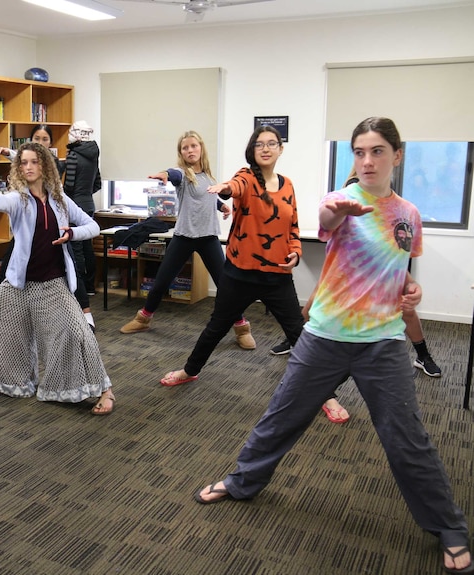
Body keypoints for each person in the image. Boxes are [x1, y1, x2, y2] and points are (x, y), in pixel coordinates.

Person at [193, 117, 472, 575]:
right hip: (324, 336)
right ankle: (242, 481)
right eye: (359, 151)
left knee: (408, 439)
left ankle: (449, 527)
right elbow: (326, 219)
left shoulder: (409, 215)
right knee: (281, 417)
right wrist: (340, 210)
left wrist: (412, 292)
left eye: (377, 151)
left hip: (381, 341)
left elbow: (399, 269)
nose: (367, 160)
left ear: (396, 156)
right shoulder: (339, 201)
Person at [0, 142, 115, 416]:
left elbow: (93, 226)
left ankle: (105, 390)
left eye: (34, 162)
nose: (28, 167)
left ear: (44, 166)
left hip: (53, 284)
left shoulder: (61, 198)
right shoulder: (19, 198)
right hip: (18, 285)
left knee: (79, 333)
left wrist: (72, 234)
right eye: (23, 163)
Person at [159, 125, 304, 387]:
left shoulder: (288, 185)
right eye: (259, 144)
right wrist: (225, 188)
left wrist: (296, 251)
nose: (266, 148)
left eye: (272, 143)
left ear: (281, 149)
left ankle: (325, 392)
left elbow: (293, 225)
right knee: (216, 327)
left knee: (298, 334)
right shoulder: (246, 177)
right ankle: (189, 370)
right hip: (241, 273)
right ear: (252, 150)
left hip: (278, 275)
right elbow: (235, 186)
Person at [270, 170, 443, 379]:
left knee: (406, 310)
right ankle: (294, 339)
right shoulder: (346, 194)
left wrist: (411, 284)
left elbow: (394, 250)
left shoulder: (396, 208)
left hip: (381, 271)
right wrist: (337, 214)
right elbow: (328, 218)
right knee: (314, 302)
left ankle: (423, 355)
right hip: (344, 268)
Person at [118, 130, 257, 351]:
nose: (190, 150)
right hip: (184, 236)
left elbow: (207, 197)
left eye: (193, 146)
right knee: (162, 280)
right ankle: (143, 319)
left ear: (201, 148)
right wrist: (164, 174)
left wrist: (221, 206)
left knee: (225, 285)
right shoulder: (183, 174)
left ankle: (241, 327)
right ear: (181, 153)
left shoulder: (209, 177)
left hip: (208, 237)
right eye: (185, 147)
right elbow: (173, 174)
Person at [0, 125, 95, 330]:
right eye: (36, 139)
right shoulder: (28, 166)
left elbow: (37, 167)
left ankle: (86, 313)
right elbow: (25, 163)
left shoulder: (53, 164)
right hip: (31, 227)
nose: (40, 143)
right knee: (9, 262)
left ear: (50, 143)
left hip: (59, 222)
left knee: (69, 266)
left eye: (45, 139)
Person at [63, 120, 101, 295]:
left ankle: (80, 288)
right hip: (89, 204)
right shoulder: (93, 155)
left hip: (75, 205)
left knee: (76, 247)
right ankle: (90, 286)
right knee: (87, 247)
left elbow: (69, 185)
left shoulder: (73, 155)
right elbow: (97, 183)